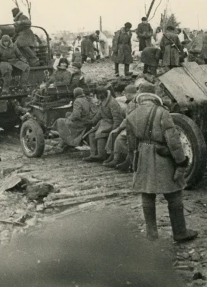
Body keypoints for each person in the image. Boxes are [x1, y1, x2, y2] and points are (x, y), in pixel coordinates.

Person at [126, 82, 198, 242]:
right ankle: (180, 232)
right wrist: (181, 161)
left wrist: (134, 163)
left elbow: (131, 145)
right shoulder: (162, 112)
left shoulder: (132, 114)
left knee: (147, 195)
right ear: (154, 95)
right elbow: (173, 141)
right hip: (162, 156)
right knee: (174, 195)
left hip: (143, 155)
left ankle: (151, 234)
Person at [83, 86, 123, 162]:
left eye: (96, 95)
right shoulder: (103, 101)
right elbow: (99, 114)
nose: (95, 97)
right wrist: (91, 121)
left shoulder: (112, 103)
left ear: (100, 94)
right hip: (104, 123)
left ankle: (102, 155)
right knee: (91, 134)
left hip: (111, 123)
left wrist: (115, 129)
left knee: (100, 133)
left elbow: (117, 118)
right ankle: (93, 155)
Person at [103, 85, 137, 168]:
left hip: (135, 127)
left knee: (119, 138)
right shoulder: (133, 101)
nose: (124, 96)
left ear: (128, 94)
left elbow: (128, 119)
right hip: (133, 125)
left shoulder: (133, 103)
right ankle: (114, 157)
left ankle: (119, 159)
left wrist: (119, 128)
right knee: (114, 134)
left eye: (125, 94)